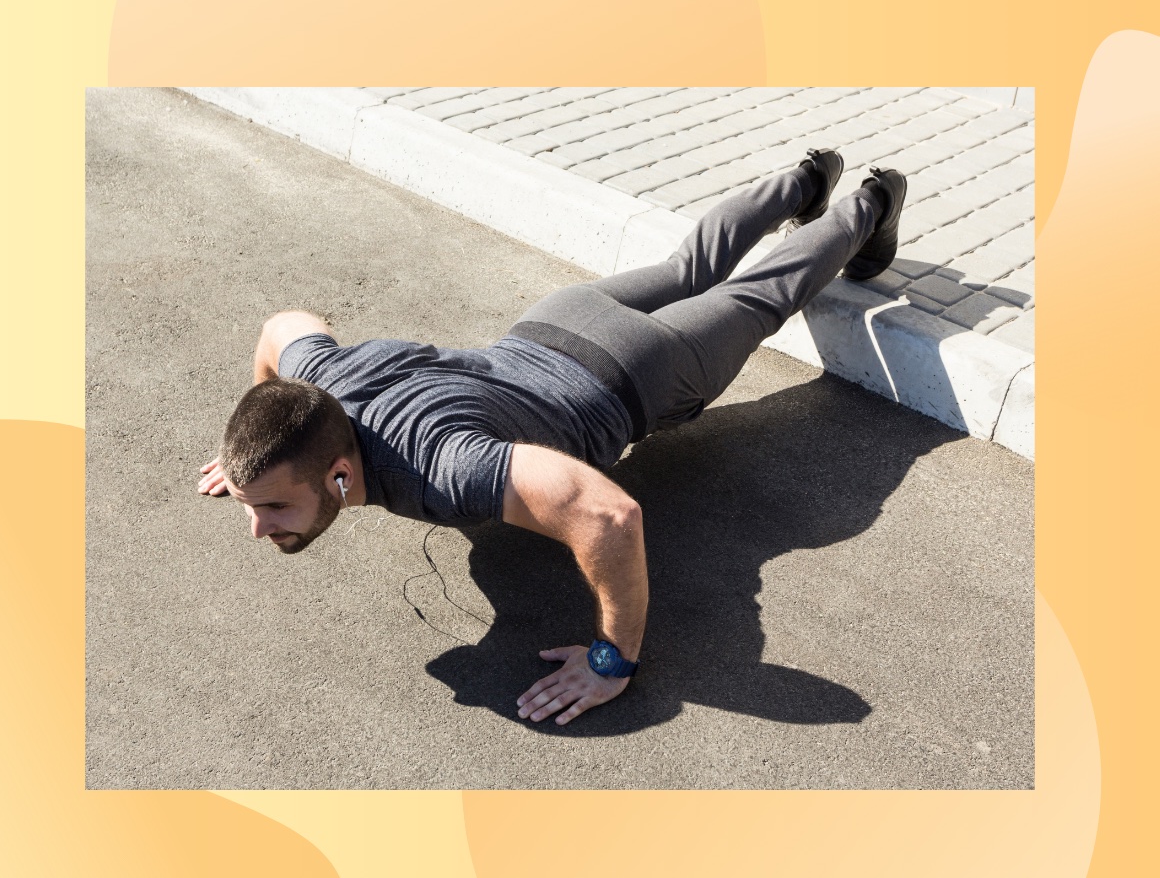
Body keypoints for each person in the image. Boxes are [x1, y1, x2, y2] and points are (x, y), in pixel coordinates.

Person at [197, 148, 907, 726]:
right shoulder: (320, 387)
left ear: (341, 475)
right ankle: (806, 175)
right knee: (688, 267)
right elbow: (283, 328)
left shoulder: (441, 469)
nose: (257, 525)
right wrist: (254, 461)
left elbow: (609, 514)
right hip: (556, 319)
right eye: (254, 505)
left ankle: (872, 198)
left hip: (639, 371)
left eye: (274, 507)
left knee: (758, 296)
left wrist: (611, 659)